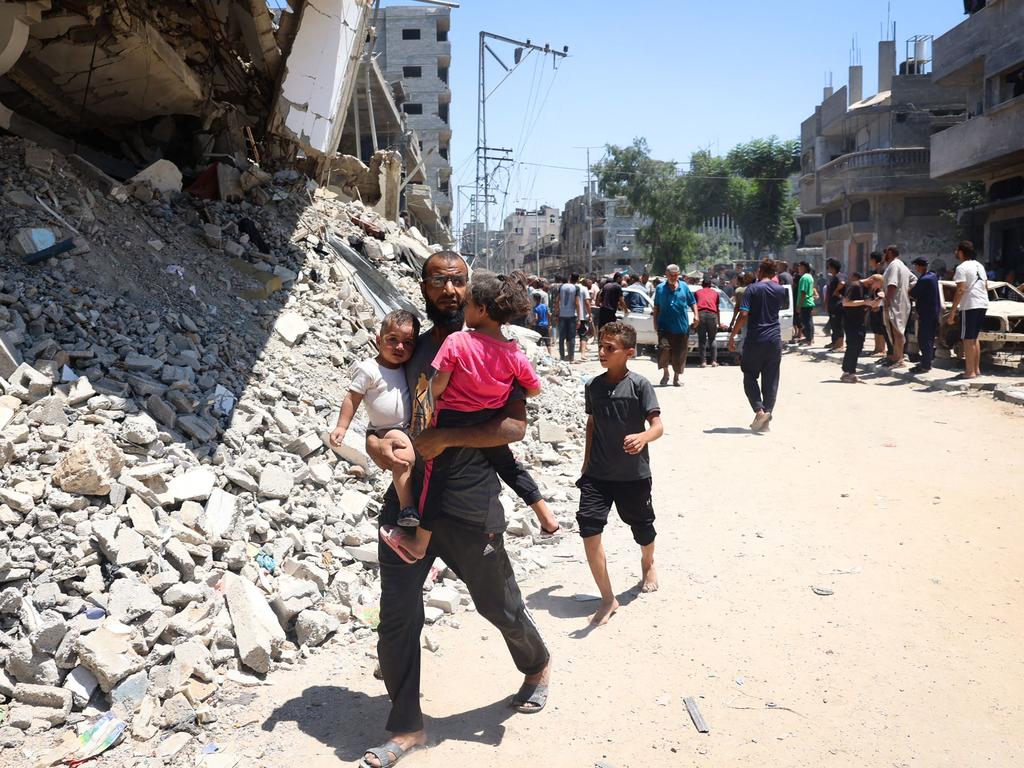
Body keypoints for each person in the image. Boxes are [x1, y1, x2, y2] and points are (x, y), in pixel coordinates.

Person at [363, 253, 553, 767]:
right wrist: (375, 443)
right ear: (423, 288)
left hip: (470, 504)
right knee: (397, 615)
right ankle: (407, 727)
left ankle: (537, 664)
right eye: (439, 280)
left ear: (473, 291)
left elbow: (514, 427)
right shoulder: (416, 348)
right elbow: (385, 411)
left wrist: (447, 436)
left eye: (458, 280)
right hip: (410, 502)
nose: (449, 288)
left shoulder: (498, 350)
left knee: (500, 606)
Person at [381, 270, 562, 564]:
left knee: (433, 482)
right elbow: (534, 388)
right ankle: (547, 517)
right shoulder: (514, 352)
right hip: (487, 420)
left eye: (468, 305)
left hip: (451, 420)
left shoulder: (457, 342)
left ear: (480, 309)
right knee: (511, 468)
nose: (463, 311)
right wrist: (498, 392)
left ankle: (418, 545)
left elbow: (438, 385)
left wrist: (432, 396)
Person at [577, 322, 663, 626]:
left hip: (633, 475)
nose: (601, 352)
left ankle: (647, 561)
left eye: (609, 348)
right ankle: (607, 597)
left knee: (642, 526)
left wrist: (643, 438)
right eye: (600, 345)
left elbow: (657, 426)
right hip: (598, 475)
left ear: (629, 353)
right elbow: (592, 424)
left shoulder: (640, 385)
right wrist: (586, 465)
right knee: (588, 527)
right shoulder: (593, 386)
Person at [330, 310, 420, 526]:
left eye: (407, 343)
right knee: (403, 458)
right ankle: (407, 507)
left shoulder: (405, 367)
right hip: (387, 428)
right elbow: (352, 398)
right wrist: (342, 426)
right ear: (378, 340)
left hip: (406, 426)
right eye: (392, 340)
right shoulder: (369, 369)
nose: (400, 347)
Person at [728, 259, 786, 433]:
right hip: (774, 340)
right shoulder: (780, 290)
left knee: (749, 375)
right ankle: (766, 417)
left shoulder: (751, 289)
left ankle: (760, 411)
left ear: (760, 271)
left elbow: (744, 314)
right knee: (771, 379)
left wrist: (733, 335)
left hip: (755, 339)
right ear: (774, 273)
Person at [947, 240, 989, 379]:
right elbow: (986, 285)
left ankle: (969, 371)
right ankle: (976, 369)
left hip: (970, 305)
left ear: (960, 252)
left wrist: (952, 311)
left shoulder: (961, 268)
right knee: (974, 338)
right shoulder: (980, 266)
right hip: (982, 303)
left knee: (967, 339)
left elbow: (960, 290)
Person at [652, 263, 697, 386]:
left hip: (681, 327)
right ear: (666, 275)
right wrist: (655, 322)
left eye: (675, 275)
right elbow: (656, 307)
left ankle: (676, 378)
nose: (673, 277)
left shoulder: (684, 287)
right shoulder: (660, 288)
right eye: (671, 275)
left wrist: (696, 315)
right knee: (664, 349)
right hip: (664, 326)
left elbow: (692, 302)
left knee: (680, 353)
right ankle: (666, 374)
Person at [882, 245, 917, 368]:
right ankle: (897, 357)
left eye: (885, 253)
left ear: (890, 252)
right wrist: (905, 291)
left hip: (895, 302)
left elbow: (892, 285)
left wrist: (888, 300)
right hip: (902, 301)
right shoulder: (902, 265)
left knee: (897, 331)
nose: (884, 256)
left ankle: (900, 359)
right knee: (896, 331)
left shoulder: (894, 265)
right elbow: (914, 280)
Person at [839, 272, 878, 383]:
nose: (875, 289)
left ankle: (851, 372)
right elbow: (846, 303)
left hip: (860, 322)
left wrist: (876, 301)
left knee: (858, 346)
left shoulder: (867, 289)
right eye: (876, 286)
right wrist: (864, 302)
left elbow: (869, 304)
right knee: (852, 346)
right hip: (851, 321)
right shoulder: (855, 286)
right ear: (871, 281)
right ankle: (846, 372)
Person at [909, 258, 941, 374]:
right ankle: (926, 362)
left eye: (916, 266)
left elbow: (913, 293)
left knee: (924, 339)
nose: (915, 268)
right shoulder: (933, 276)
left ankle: (925, 365)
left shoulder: (924, 279)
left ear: (920, 266)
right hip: (933, 312)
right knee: (929, 339)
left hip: (926, 314)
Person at [694, 277, 722, 367]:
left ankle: (703, 362)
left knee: (702, 339)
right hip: (712, 315)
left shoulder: (697, 292)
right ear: (711, 285)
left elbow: (694, 307)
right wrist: (719, 321)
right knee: (712, 339)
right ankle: (714, 361)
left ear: (702, 285)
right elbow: (717, 308)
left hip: (701, 315)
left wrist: (695, 318)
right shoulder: (715, 293)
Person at [556, 273, 584, 363]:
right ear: (577, 279)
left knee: (561, 337)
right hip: (572, 315)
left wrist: (556, 313)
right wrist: (579, 318)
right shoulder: (576, 288)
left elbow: (557, 301)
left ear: (570, 278)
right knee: (571, 338)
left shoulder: (561, 287)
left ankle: (562, 357)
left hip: (562, 315)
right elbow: (577, 303)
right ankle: (571, 358)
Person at [867, 252, 889, 356]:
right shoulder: (873, 272)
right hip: (873, 302)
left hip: (880, 302)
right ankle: (876, 348)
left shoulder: (884, 272)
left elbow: (882, 288)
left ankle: (882, 349)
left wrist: (878, 302)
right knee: (875, 326)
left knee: (881, 327)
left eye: (871, 259)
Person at [825, 258, 847, 351]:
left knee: (838, 325)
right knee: (834, 325)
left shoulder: (839, 276)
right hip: (833, 304)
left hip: (838, 305)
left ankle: (840, 345)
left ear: (833, 267)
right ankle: (835, 343)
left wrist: (836, 291)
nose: (827, 269)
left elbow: (842, 283)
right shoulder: (834, 277)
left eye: (828, 267)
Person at [795, 261, 816, 344]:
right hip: (808, 302)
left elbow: (803, 292)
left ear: (804, 267)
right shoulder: (809, 277)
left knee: (806, 322)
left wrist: (799, 306)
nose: (798, 268)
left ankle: (808, 339)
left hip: (805, 303)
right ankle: (809, 338)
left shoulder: (804, 278)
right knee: (809, 321)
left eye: (799, 266)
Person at [576, 283, 593, 363]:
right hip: (582, 316)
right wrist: (590, 314)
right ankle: (583, 354)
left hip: (571, 315)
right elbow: (587, 302)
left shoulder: (570, 287)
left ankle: (570, 355)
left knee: (570, 335)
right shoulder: (584, 289)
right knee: (583, 335)